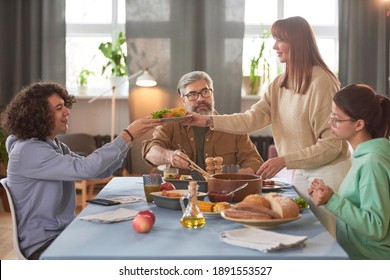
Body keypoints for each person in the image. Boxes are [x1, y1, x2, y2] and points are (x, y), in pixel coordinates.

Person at [184, 17, 352, 237]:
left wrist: (284, 160)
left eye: (279, 40)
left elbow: (331, 145)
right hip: (301, 171)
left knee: (324, 240)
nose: (274, 46)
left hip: (329, 173)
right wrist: (208, 121)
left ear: (297, 42)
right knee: (304, 236)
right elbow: (250, 119)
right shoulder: (280, 83)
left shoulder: (322, 81)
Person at [0, 81, 161, 259]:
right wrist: (126, 135)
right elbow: (86, 169)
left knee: (122, 236)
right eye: (59, 108)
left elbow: (98, 172)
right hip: (45, 245)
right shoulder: (29, 151)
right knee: (122, 245)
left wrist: (128, 142)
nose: (67, 111)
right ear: (39, 114)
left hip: (63, 234)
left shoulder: (53, 145)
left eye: (65, 106)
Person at [308, 84, 390, 259]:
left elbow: (376, 226)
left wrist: (332, 200)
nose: (330, 123)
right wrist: (328, 194)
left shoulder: (371, 162)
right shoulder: (364, 155)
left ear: (359, 124)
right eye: (331, 116)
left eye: (337, 119)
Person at [142, 71, 263, 175]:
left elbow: (254, 161)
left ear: (212, 94)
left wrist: (232, 176)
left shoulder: (231, 125)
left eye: (205, 92)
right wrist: (169, 156)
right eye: (192, 95)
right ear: (183, 100)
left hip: (223, 193)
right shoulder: (171, 125)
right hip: (182, 193)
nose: (200, 99)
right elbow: (150, 152)